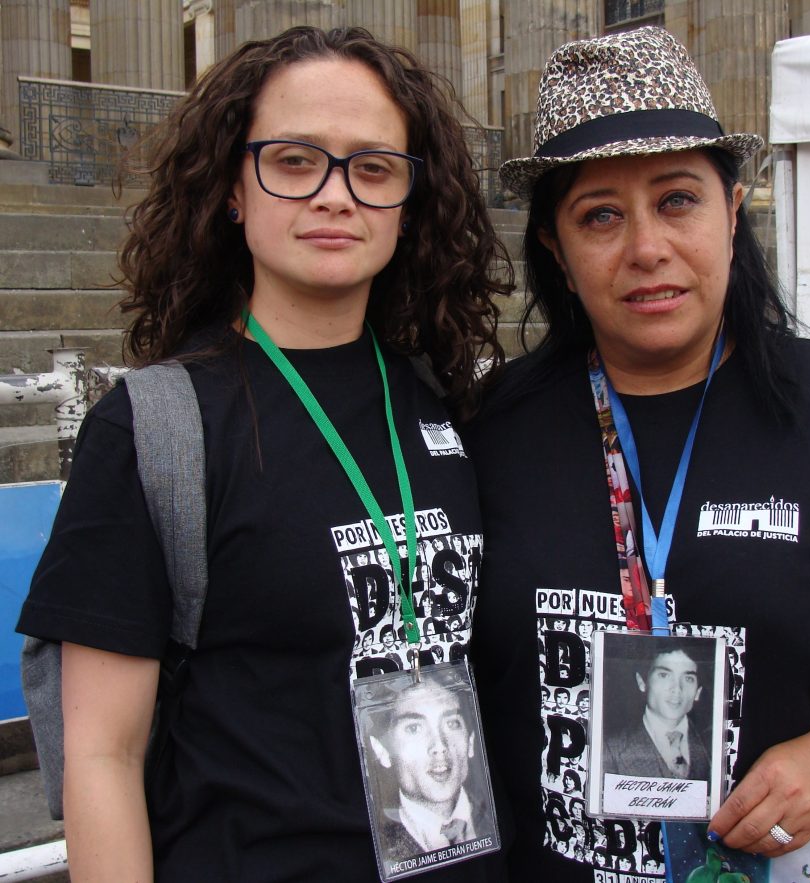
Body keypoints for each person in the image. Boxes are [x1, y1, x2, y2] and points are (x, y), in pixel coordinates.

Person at [464, 26, 810, 881]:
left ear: (732, 209)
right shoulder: (495, 428)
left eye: (677, 199)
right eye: (600, 215)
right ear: (556, 253)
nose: (646, 247)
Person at [17, 25, 512, 883]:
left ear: (409, 199)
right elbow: (102, 755)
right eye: (293, 160)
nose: (334, 195)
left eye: (372, 167)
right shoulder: (155, 429)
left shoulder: (441, 397)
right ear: (233, 190)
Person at [369, 679, 483, 861]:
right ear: (382, 751)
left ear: (471, 741)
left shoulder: (498, 819)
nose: (439, 746)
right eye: (414, 728)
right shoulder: (375, 848)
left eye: (452, 723)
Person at [603, 645, 710, 782]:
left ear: (698, 692)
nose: (677, 689)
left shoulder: (713, 746)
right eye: (664, 675)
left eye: (688, 678)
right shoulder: (611, 748)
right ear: (642, 682)